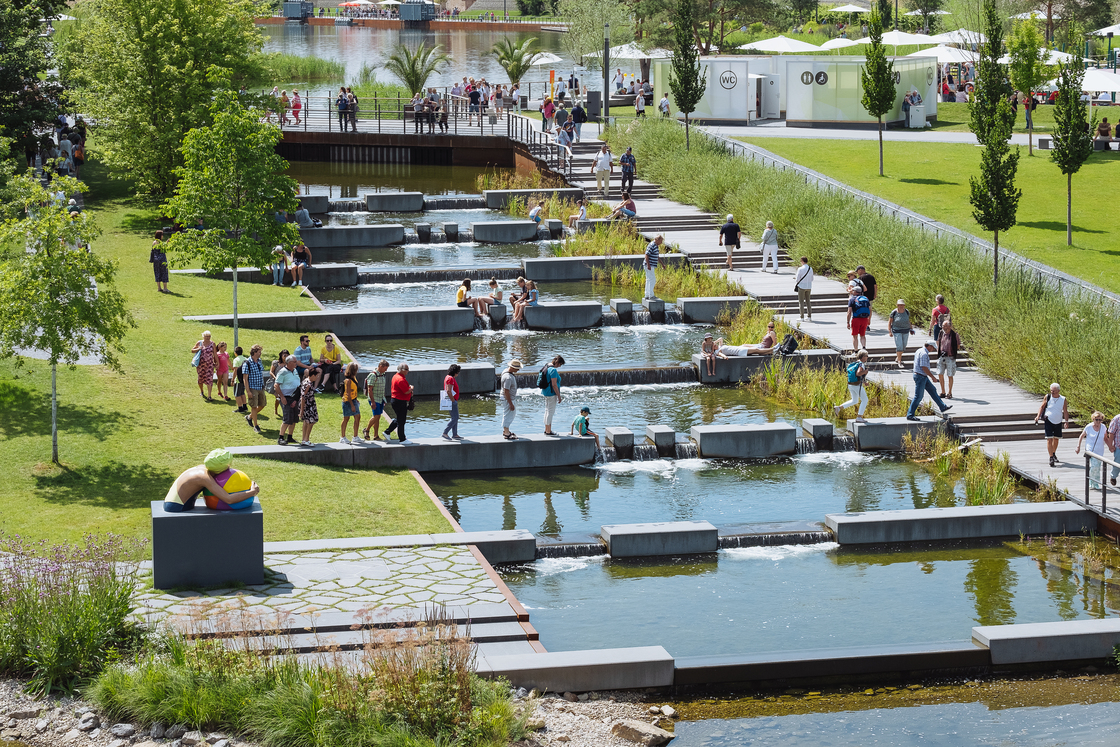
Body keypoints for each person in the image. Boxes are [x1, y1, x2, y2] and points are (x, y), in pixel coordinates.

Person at [163, 449, 259, 513]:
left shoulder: (203, 468)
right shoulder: (203, 477)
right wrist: (252, 492)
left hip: (173, 502)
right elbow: (228, 499)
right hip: (176, 507)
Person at [906, 341, 953, 421]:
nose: (933, 350)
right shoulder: (924, 354)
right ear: (929, 346)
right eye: (933, 348)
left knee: (932, 390)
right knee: (918, 396)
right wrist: (932, 377)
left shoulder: (919, 350)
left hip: (921, 375)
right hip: (920, 376)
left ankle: (942, 406)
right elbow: (924, 367)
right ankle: (910, 415)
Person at [1033, 383, 1069, 468]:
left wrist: (1066, 421)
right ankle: (1051, 457)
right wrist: (1038, 416)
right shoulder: (1048, 397)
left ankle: (1053, 453)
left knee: (1056, 439)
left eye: (1054, 392)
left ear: (1059, 391)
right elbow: (1042, 406)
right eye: (1051, 391)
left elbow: (1065, 411)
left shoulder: (1063, 399)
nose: (1052, 393)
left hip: (1058, 421)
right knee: (1049, 439)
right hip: (1048, 419)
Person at [382, 362, 414, 444]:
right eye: (407, 369)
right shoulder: (400, 379)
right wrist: (411, 388)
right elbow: (406, 391)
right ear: (402, 370)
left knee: (399, 418)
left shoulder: (396, 376)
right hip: (399, 401)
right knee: (401, 421)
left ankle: (387, 432)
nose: (408, 371)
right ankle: (402, 439)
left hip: (396, 400)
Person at [835, 349, 870, 422]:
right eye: (866, 356)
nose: (867, 357)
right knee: (865, 399)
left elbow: (857, 376)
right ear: (863, 357)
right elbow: (858, 373)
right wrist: (865, 371)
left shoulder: (854, 363)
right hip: (857, 386)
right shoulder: (861, 364)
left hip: (850, 384)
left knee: (854, 400)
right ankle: (859, 417)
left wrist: (864, 382)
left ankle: (839, 408)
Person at [1075, 412, 1109, 486]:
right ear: (1093, 419)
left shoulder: (1103, 427)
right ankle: (1093, 482)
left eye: (1100, 420)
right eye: (1097, 420)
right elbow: (1081, 436)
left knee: (1098, 467)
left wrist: (1110, 446)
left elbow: (1105, 438)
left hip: (1100, 450)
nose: (1098, 421)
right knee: (1094, 466)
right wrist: (1078, 446)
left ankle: (1095, 482)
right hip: (1090, 450)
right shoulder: (1089, 427)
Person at [362, 359, 392, 441]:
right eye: (385, 368)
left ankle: (376, 436)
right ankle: (366, 430)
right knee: (377, 416)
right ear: (380, 366)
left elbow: (382, 388)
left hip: (381, 398)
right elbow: (369, 389)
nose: (386, 370)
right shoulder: (373, 375)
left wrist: (384, 399)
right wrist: (372, 402)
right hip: (374, 399)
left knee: (377, 417)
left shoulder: (382, 374)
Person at [275, 355, 302, 446]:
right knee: (287, 419)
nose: (296, 363)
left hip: (295, 397)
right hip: (287, 398)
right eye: (294, 362)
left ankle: (290, 437)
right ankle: (281, 437)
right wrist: (282, 397)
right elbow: (276, 385)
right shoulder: (282, 372)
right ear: (289, 363)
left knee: (294, 419)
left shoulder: (295, 370)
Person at [242, 344, 266, 433]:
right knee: (254, 406)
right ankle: (256, 425)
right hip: (252, 387)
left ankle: (250, 417)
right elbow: (245, 378)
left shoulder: (259, 361)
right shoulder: (247, 362)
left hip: (260, 386)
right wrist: (248, 391)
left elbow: (261, 373)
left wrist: (263, 385)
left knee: (262, 404)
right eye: (259, 352)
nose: (260, 353)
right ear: (254, 352)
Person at [937, 318, 961, 399]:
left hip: (950, 357)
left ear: (950, 326)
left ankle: (949, 392)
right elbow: (938, 342)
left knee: (950, 375)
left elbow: (958, 345)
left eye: (945, 326)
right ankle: (943, 391)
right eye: (943, 326)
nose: (944, 328)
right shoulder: (941, 333)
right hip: (942, 356)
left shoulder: (955, 335)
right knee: (940, 373)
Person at [540, 355, 565, 435]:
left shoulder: (546, 367)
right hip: (551, 393)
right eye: (560, 364)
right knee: (550, 412)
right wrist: (559, 396)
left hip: (545, 392)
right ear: (558, 363)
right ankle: (548, 431)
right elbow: (554, 384)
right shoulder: (553, 370)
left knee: (547, 411)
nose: (560, 366)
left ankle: (546, 429)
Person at [192, 330, 217, 401]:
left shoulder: (212, 344)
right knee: (200, 379)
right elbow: (192, 350)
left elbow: (215, 354)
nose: (208, 338)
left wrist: (216, 363)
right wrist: (198, 348)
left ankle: (209, 396)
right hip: (200, 365)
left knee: (209, 379)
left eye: (209, 336)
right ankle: (202, 391)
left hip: (209, 365)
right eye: (206, 336)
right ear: (203, 336)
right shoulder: (199, 343)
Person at [298, 366, 320, 446]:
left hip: (308, 405)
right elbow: (303, 397)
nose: (317, 377)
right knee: (311, 421)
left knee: (306, 422)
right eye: (316, 376)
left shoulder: (305, 381)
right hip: (308, 406)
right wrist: (302, 410)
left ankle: (304, 439)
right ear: (312, 375)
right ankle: (306, 439)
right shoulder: (309, 384)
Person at [500, 360, 522, 439]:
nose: (518, 370)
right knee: (508, 414)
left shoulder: (506, 371)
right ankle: (506, 433)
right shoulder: (508, 377)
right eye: (517, 368)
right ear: (513, 368)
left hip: (507, 397)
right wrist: (510, 403)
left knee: (509, 414)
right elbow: (506, 391)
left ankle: (506, 430)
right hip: (507, 398)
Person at [889, 300, 912, 368]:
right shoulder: (894, 312)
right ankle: (899, 361)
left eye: (902, 305)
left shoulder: (907, 312)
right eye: (899, 305)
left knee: (904, 345)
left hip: (906, 330)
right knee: (899, 346)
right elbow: (890, 322)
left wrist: (911, 328)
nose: (901, 306)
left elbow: (908, 320)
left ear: (904, 305)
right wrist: (890, 331)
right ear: (897, 305)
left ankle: (898, 357)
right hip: (897, 330)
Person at [846, 285, 870, 352]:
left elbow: (849, 312)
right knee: (863, 335)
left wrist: (848, 322)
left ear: (855, 292)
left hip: (856, 319)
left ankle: (856, 351)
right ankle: (864, 348)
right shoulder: (866, 299)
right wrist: (868, 319)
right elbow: (870, 309)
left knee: (855, 336)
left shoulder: (852, 300)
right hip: (865, 319)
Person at [442, 364, 462, 440]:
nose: (458, 374)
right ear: (455, 372)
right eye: (458, 372)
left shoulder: (449, 377)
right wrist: (453, 400)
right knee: (455, 418)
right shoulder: (450, 379)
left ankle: (455, 434)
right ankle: (445, 432)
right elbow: (448, 391)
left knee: (455, 417)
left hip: (452, 400)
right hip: (451, 401)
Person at [269, 349, 291, 417]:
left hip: (284, 383)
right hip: (276, 383)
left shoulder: (289, 364)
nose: (285, 357)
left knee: (282, 397)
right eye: (284, 355)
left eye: (287, 355)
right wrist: (275, 378)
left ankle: (284, 411)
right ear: (281, 356)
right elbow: (271, 371)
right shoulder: (276, 363)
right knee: (278, 397)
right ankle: (276, 410)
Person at [644, 235, 662, 299]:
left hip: (651, 265)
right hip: (649, 265)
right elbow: (646, 255)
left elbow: (657, 256)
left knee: (649, 279)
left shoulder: (656, 246)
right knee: (652, 279)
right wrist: (648, 265)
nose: (661, 242)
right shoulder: (652, 245)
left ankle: (647, 295)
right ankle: (650, 295)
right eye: (661, 241)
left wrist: (662, 264)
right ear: (657, 240)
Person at [1105, 412, 1120, 486]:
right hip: (1119, 446)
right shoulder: (1117, 419)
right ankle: (1113, 476)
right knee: (1117, 463)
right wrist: (1110, 445)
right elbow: (1111, 433)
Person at [232, 345, 247, 413]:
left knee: (237, 394)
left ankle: (240, 408)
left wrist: (233, 379)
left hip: (238, 380)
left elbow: (235, 370)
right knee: (242, 393)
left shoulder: (236, 360)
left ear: (235, 353)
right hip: (244, 379)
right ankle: (245, 406)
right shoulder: (245, 359)